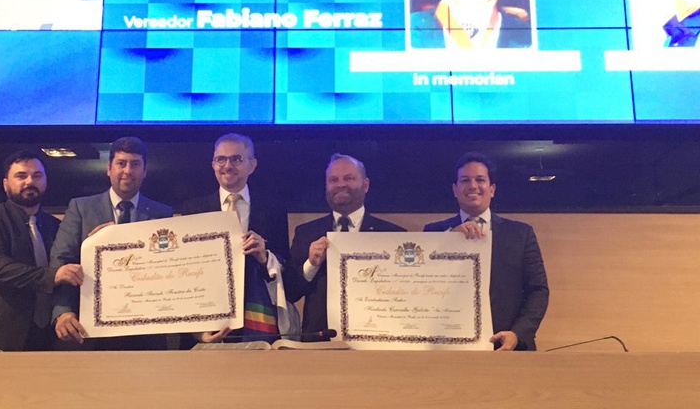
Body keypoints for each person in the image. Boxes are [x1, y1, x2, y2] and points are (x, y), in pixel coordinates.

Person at [0, 150, 84, 352]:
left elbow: (73, 268)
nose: (30, 181)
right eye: (21, 176)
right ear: (5, 184)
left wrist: (95, 240)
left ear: (45, 181)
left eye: (37, 176)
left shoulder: (56, 226)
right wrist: (53, 275)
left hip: (46, 338)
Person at [49, 136, 173, 349]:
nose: (128, 171)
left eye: (135, 164)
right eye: (121, 163)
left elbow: (170, 269)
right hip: (90, 327)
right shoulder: (80, 208)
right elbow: (61, 261)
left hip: (146, 329)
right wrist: (63, 311)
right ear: (109, 168)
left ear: (144, 171)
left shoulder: (162, 213)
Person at [424, 152, 549, 351]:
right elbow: (422, 286)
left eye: (480, 180)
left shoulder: (521, 234)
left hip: (507, 347)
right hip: (448, 347)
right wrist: (449, 241)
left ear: (492, 189)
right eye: (465, 180)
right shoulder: (434, 233)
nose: (473, 186)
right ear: (455, 189)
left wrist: (518, 334)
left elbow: (538, 291)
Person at [182, 133, 292, 345]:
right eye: (220, 159)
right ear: (213, 165)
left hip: (258, 321)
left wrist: (265, 257)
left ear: (252, 165)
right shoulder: (193, 209)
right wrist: (197, 332)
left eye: (236, 159)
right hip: (209, 323)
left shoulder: (273, 209)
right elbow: (185, 274)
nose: (227, 166)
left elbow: (287, 268)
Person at [284, 154, 405, 341]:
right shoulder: (306, 233)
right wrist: (311, 265)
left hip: (378, 338)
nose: (341, 184)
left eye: (348, 178)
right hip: (320, 341)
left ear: (365, 185)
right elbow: (291, 292)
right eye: (334, 180)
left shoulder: (393, 235)